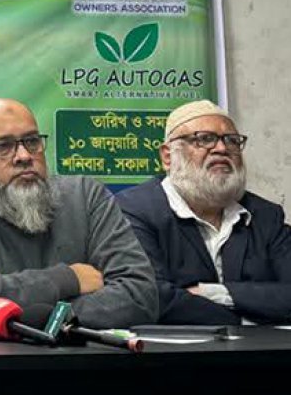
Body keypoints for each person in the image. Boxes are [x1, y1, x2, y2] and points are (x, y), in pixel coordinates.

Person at [0, 98, 157, 329]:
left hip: (81, 352)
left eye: (32, 141)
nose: (24, 156)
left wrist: (3, 301)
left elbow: (139, 296)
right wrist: (68, 279)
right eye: (3, 147)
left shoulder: (85, 197)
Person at [116, 100, 291, 324]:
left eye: (232, 140)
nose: (222, 149)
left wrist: (213, 293)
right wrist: (247, 317)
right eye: (204, 139)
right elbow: (151, 297)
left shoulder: (264, 215)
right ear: (168, 156)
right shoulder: (134, 210)